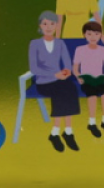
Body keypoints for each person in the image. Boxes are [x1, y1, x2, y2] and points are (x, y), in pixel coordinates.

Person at [28, 10, 81, 152]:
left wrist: (66, 71)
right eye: (45, 24)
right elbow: (34, 68)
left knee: (70, 88)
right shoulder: (35, 44)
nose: (49, 27)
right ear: (40, 26)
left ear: (57, 26)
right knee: (61, 91)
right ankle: (55, 133)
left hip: (60, 79)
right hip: (43, 82)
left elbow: (67, 63)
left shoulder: (60, 43)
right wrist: (55, 74)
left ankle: (68, 132)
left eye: (52, 24)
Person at [73, 20, 104, 137]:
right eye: (89, 34)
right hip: (86, 80)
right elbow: (75, 68)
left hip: (99, 80)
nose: (93, 37)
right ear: (84, 35)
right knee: (92, 95)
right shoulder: (80, 49)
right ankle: (91, 123)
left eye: (96, 34)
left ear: (100, 35)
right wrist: (78, 76)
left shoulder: (103, 50)